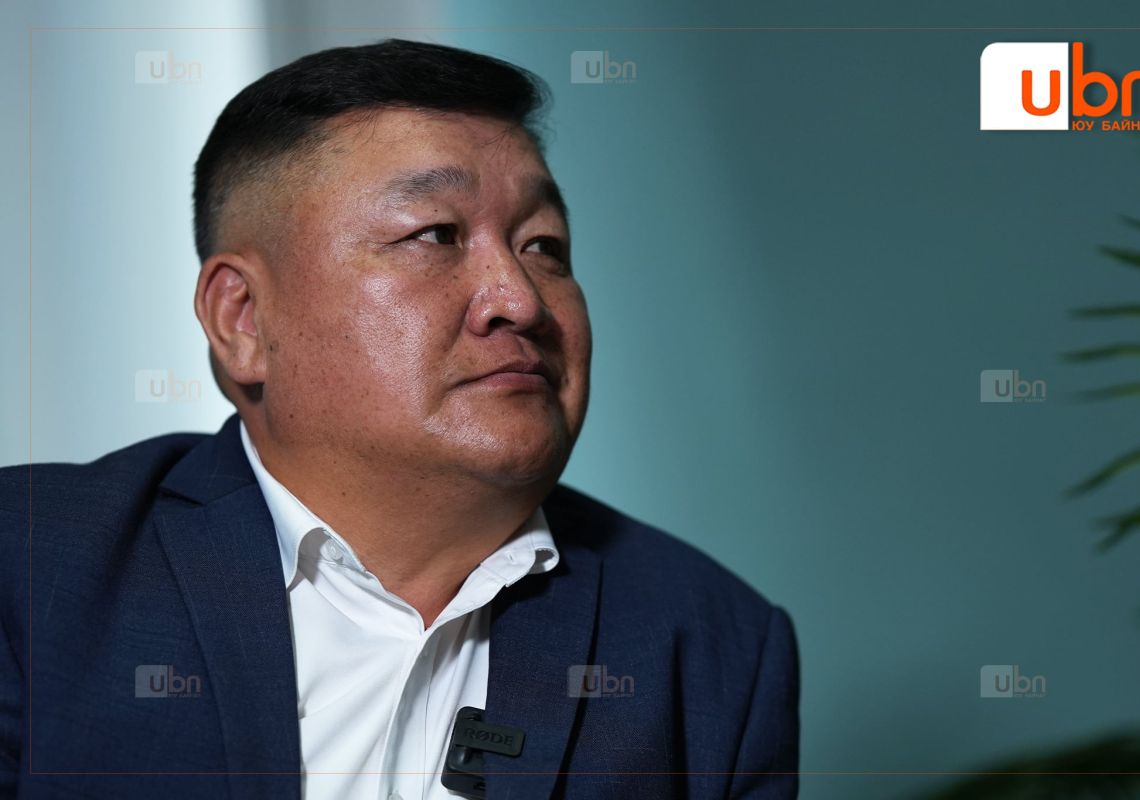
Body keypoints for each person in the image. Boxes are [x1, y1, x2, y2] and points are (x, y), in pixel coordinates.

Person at [0, 38, 800, 800]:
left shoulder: (708, 644)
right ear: (242, 319)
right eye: (435, 235)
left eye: (544, 246)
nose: (519, 300)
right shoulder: (32, 570)